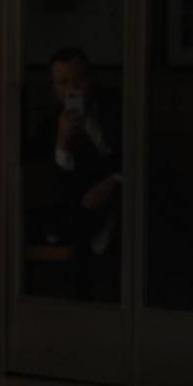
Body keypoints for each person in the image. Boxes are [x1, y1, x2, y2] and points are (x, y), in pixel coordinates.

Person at [28, 47, 121, 300]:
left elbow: (134, 155)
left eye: (78, 79)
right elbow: (52, 186)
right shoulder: (47, 126)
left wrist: (113, 181)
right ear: (54, 88)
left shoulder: (116, 112)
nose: (72, 89)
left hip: (120, 202)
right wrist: (62, 144)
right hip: (75, 210)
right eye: (63, 82)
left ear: (91, 80)